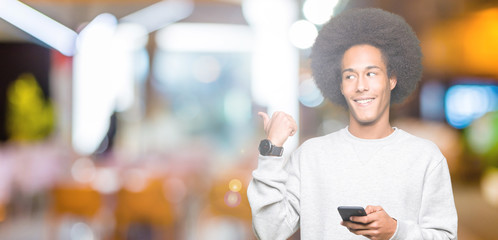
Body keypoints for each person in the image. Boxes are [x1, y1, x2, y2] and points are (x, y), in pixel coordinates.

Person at [247, 8, 458, 240]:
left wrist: (395, 231)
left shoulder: (425, 157)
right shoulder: (310, 156)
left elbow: (446, 237)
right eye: (350, 76)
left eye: (371, 73)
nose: (360, 86)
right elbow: (269, 232)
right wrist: (271, 150)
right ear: (340, 86)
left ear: (392, 79)